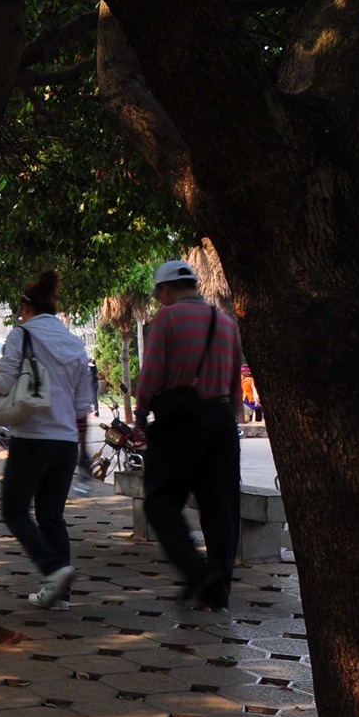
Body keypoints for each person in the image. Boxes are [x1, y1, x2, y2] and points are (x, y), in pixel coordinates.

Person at [135, 259, 243, 610]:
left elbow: (151, 374)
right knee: (219, 508)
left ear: (166, 290)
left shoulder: (166, 319)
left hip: (179, 422)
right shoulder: (226, 324)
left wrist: (140, 411)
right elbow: (234, 384)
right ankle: (219, 591)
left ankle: (198, 572)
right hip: (221, 421)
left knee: (161, 502)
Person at [0, 270, 95, 610]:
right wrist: (84, 452)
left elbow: (4, 384)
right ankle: (59, 596)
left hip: (32, 439)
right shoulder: (75, 344)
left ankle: (53, 568)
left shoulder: (23, 335)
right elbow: (81, 407)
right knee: (51, 516)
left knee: (15, 510)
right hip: (65, 443)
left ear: (26, 308)